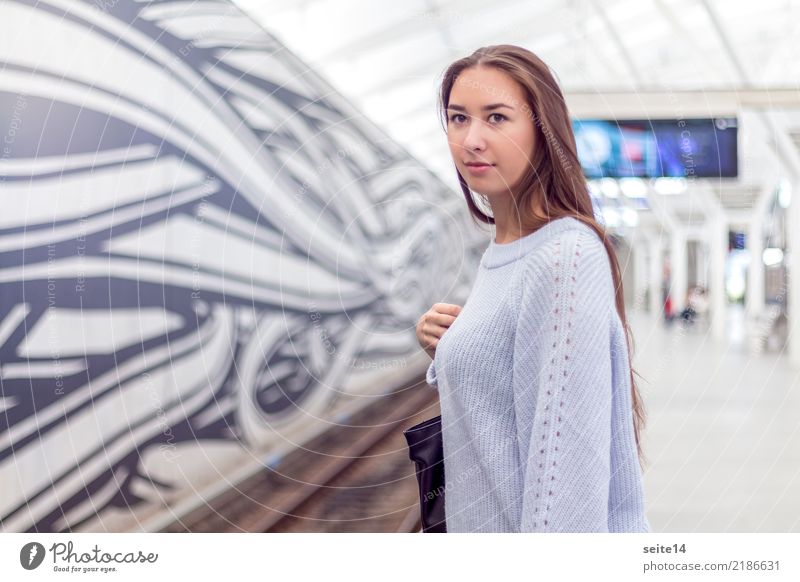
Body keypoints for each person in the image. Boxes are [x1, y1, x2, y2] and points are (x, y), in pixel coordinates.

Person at [414, 45, 650, 532]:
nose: (472, 139)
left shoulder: (563, 257)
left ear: (544, 133)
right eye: (458, 118)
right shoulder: (504, 253)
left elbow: (565, 493)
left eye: (496, 118)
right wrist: (453, 346)